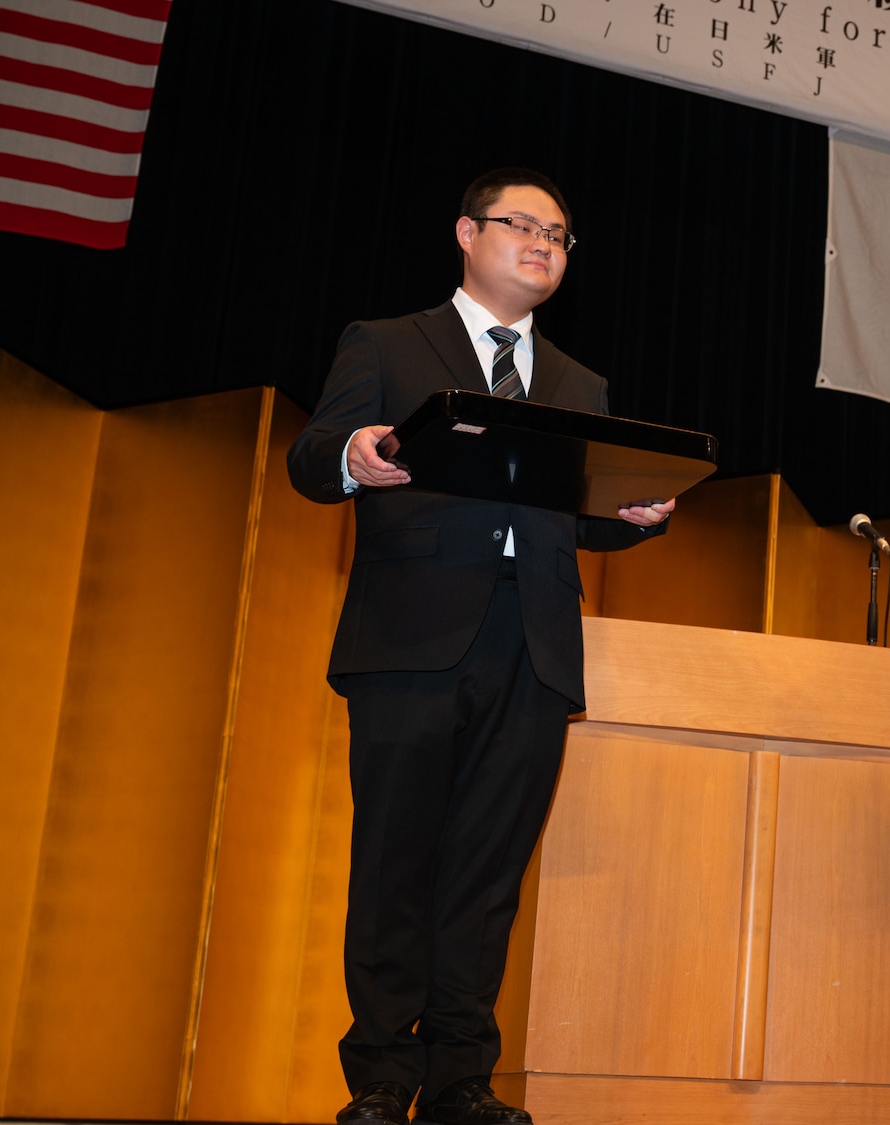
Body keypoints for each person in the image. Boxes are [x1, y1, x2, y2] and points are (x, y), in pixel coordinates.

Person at [288, 169, 673, 1125]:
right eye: (523, 226)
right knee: (395, 861)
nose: (544, 244)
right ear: (467, 232)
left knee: (487, 870)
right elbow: (313, 458)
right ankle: (382, 1074)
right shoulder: (385, 342)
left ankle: (463, 1076)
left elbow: (577, 519)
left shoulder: (581, 382)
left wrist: (633, 514)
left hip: (534, 644)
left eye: (560, 235)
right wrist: (353, 456)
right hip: (411, 632)